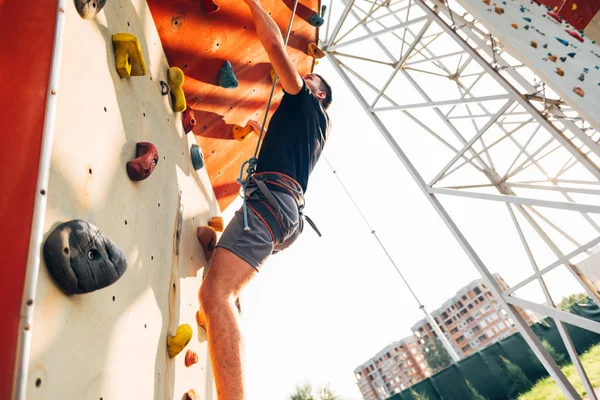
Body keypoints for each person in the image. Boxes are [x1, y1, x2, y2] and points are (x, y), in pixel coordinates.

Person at [197, 0, 332, 397]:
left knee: (216, 294)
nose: (305, 77)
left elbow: (275, 47)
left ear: (319, 93)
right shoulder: (316, 129)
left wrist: (252, 3)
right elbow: (282, 145)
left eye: (312, 78)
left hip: (272, 206)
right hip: (284, 213)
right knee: (224, 286)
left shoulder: (305, 101)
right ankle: (215, 253)